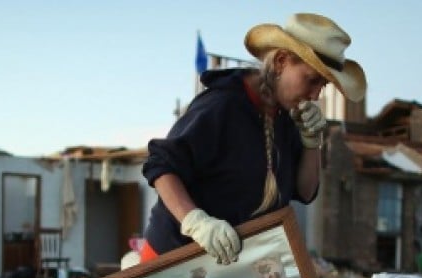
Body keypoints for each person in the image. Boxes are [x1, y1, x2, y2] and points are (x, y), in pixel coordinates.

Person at [141, 13, 366, 264]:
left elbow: (304, 191)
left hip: (229, 267)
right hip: (173, 260)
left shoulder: (286, 117)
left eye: (322, 86)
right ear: (281, 61)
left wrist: (311, 141)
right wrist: (196, 221)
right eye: (311, 80)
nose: (314, 95)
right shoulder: (222, 105)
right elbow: (161, 166)